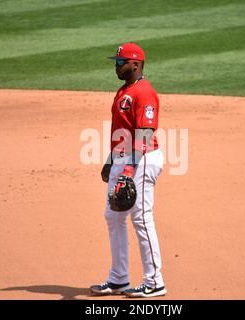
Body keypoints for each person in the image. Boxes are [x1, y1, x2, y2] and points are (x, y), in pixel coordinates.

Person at [90, 42, 166, 298]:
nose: (117, 65)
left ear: (136, 64)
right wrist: (111, 161)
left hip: (141, 160)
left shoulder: (144, 92)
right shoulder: (124, 90)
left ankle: (155, 281)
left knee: (141, 218)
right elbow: (121, 132)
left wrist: (129, 170)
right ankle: (119, 278)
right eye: (116, 61)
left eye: (121, 62)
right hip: (123, 159)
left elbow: (144, 135)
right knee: (113, 216)